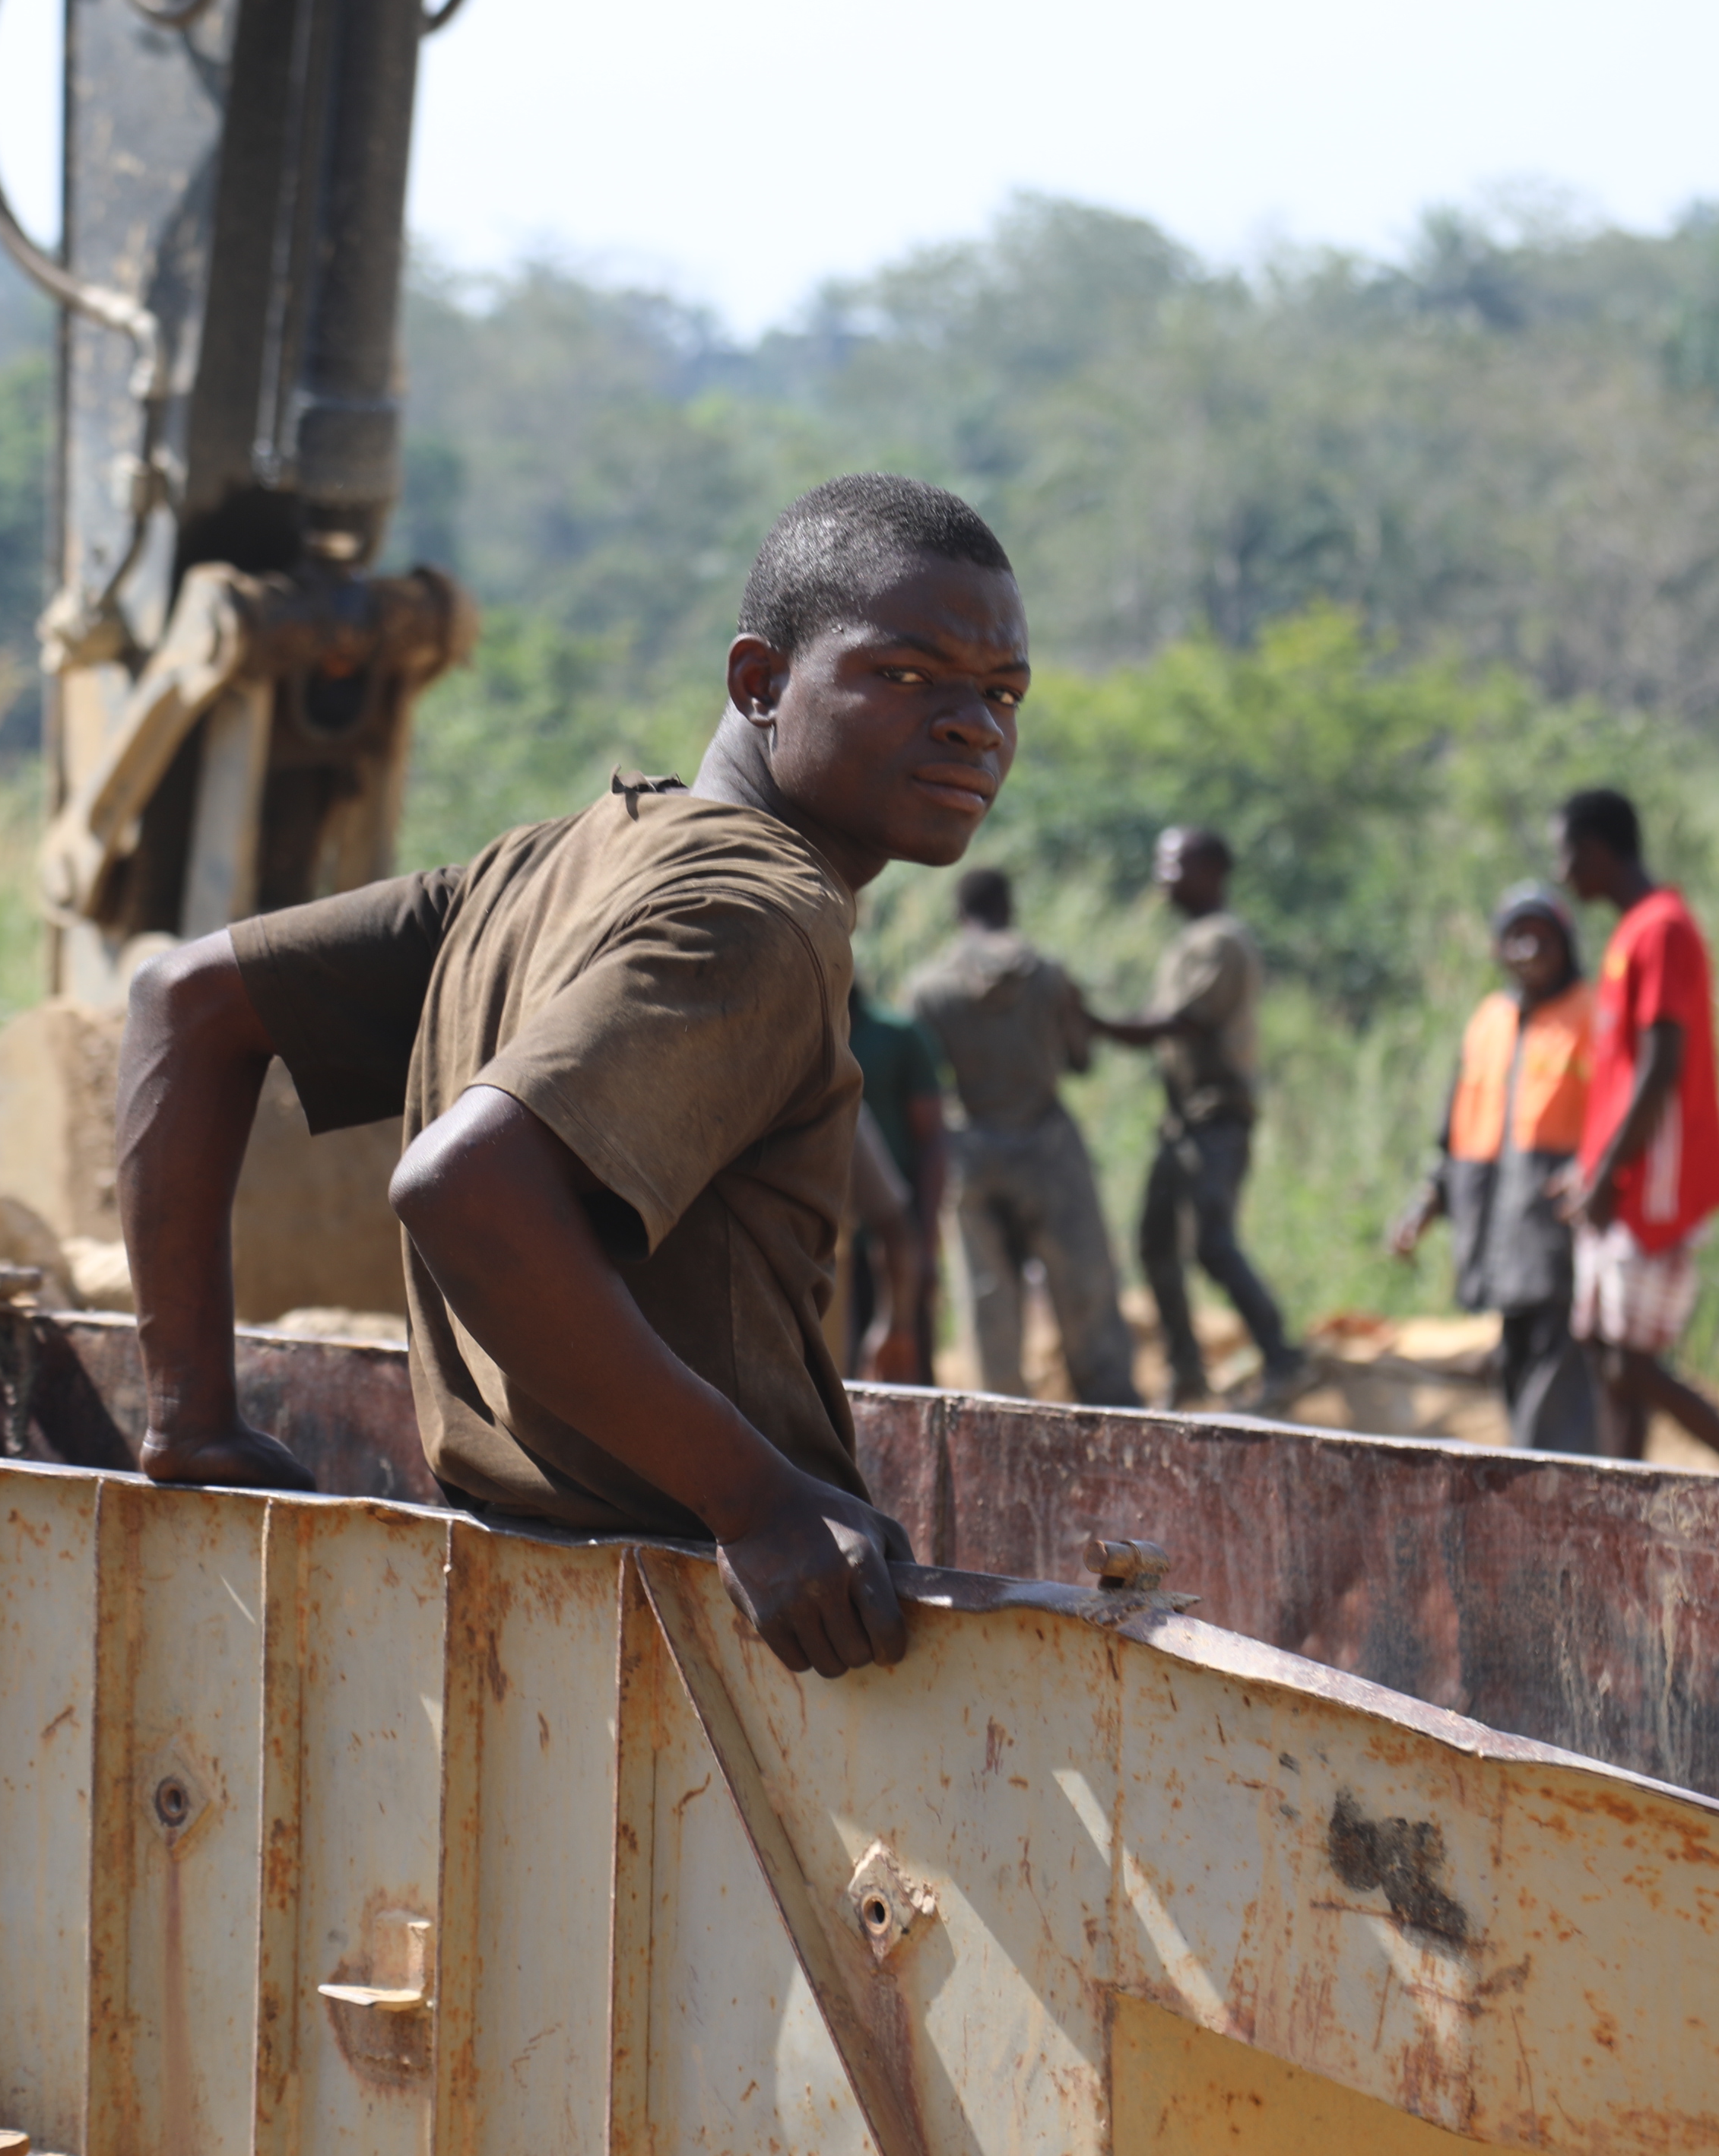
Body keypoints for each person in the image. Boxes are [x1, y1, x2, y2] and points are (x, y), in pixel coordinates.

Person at [113, 473, 1032, 1679]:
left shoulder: (543, 869)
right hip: (689, 1622)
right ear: (760, 684)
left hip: (519, 1592)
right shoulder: (761, 909)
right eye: (905, 676)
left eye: (1001, 692)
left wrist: (190, 1418)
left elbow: (186, 1004)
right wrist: (756, 1501)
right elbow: (465, 1187)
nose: (973, 725)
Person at [1550, 788, 1719, 1474]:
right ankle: (1625, 1496)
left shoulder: (1663, 928)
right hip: (1625, 1174)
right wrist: (1591, 1166)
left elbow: (1662, 1067)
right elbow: (1622, 1075)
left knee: (1631, 1360)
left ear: (1596, 850)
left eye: (1567, 854)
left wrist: (1611, 1173)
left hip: (1654, 1184)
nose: (1563, 873)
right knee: (1606, 1354)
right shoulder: (1631, 933)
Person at [904, 866, 1140, 1409]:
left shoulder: (928, 988)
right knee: (1086, 1285)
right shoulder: (1047, 975)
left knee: (987, 1298)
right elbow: (1080, 1059)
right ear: (1010, 908)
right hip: (1047, 1142)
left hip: (971, 1147)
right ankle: (1113, 1411)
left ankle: (1000, 1416)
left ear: (960, 915)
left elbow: (926, 1085)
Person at [1385, 883, 1601, 1452]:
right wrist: (1424, 1207)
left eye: (1542, 937)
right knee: (1515, 1366)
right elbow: (1454, 1136)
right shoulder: (1489, 1020)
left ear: (1567, 946)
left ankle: (1549, 1509)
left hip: (1557, 1237)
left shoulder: (1590, 1017)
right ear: (1498, 948)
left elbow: (1614, 1125)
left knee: (1555, 1392)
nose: (1528, 950)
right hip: (1499, 1242)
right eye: (1515, 937)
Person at [1096, 828, 1307, 1406]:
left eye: (1176, 864)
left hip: (1217, 1115)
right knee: (1155, 1242)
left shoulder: (1220, 941)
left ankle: (1284, 1358)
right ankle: (1186, 1370)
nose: (1163, 875)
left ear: (1212, 870)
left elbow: (1182, 1022)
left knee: (1212, 1242)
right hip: (1185, 1121)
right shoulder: (1191, 941)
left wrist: (1097, 1025)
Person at [845, 984, 948, 1381]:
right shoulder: (796, 1041)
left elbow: (933, 1142)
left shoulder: (897, 1037)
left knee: (906, 1372)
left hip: (894, 1239)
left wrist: (924, 1243)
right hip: (832, 1251)